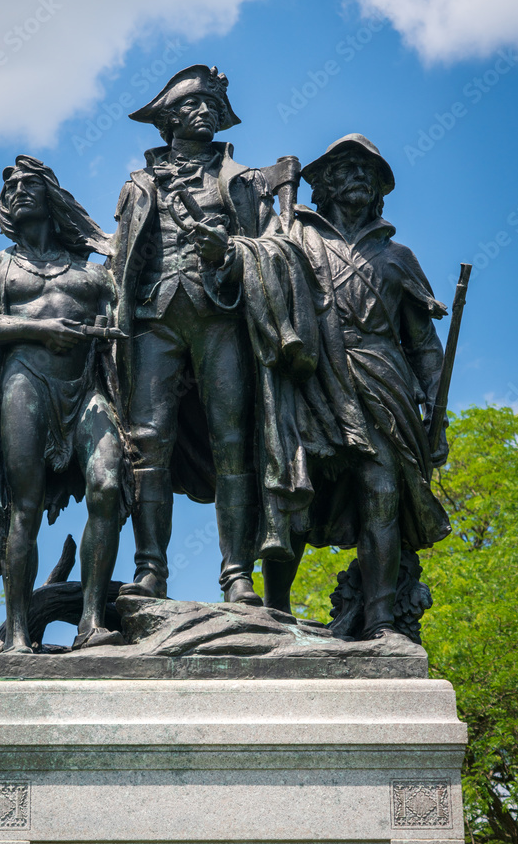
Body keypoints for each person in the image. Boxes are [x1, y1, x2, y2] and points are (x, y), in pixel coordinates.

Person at [110, 64, 313, 604]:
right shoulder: (139, 184)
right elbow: (121, 262)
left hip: (221, 315)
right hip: (155, 319)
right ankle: (150, 569)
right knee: (148, 442)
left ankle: (236, 572)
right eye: (192, 106)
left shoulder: (243, 182)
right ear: (170, 119)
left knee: (233, 441)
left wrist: (229, 252)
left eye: (211, 107)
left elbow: (277, 249)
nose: (205, 114)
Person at [262, 134, 451, 639]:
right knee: (297, 492)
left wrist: (436, 408)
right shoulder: (294, 237)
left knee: (382, 493)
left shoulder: (398, 257)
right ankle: (273, 612)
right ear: (322, 183)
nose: (358, 178)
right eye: (345, 169)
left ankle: (383, 620)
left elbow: (425, 346)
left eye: (368, 172)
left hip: (383, 381)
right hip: (313, 375)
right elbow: (256, 275)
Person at [0, 156, 132, 652]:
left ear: (52, 197)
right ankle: (15, 634)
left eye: (29, 183)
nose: (16, 189)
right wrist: (36, 329)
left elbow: (125, 335)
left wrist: (106, 333)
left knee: (108, 484)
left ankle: (91, 621)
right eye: (9, 185)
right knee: (22, 509)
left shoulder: (95, 274)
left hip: (86, 388)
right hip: (23, 383)